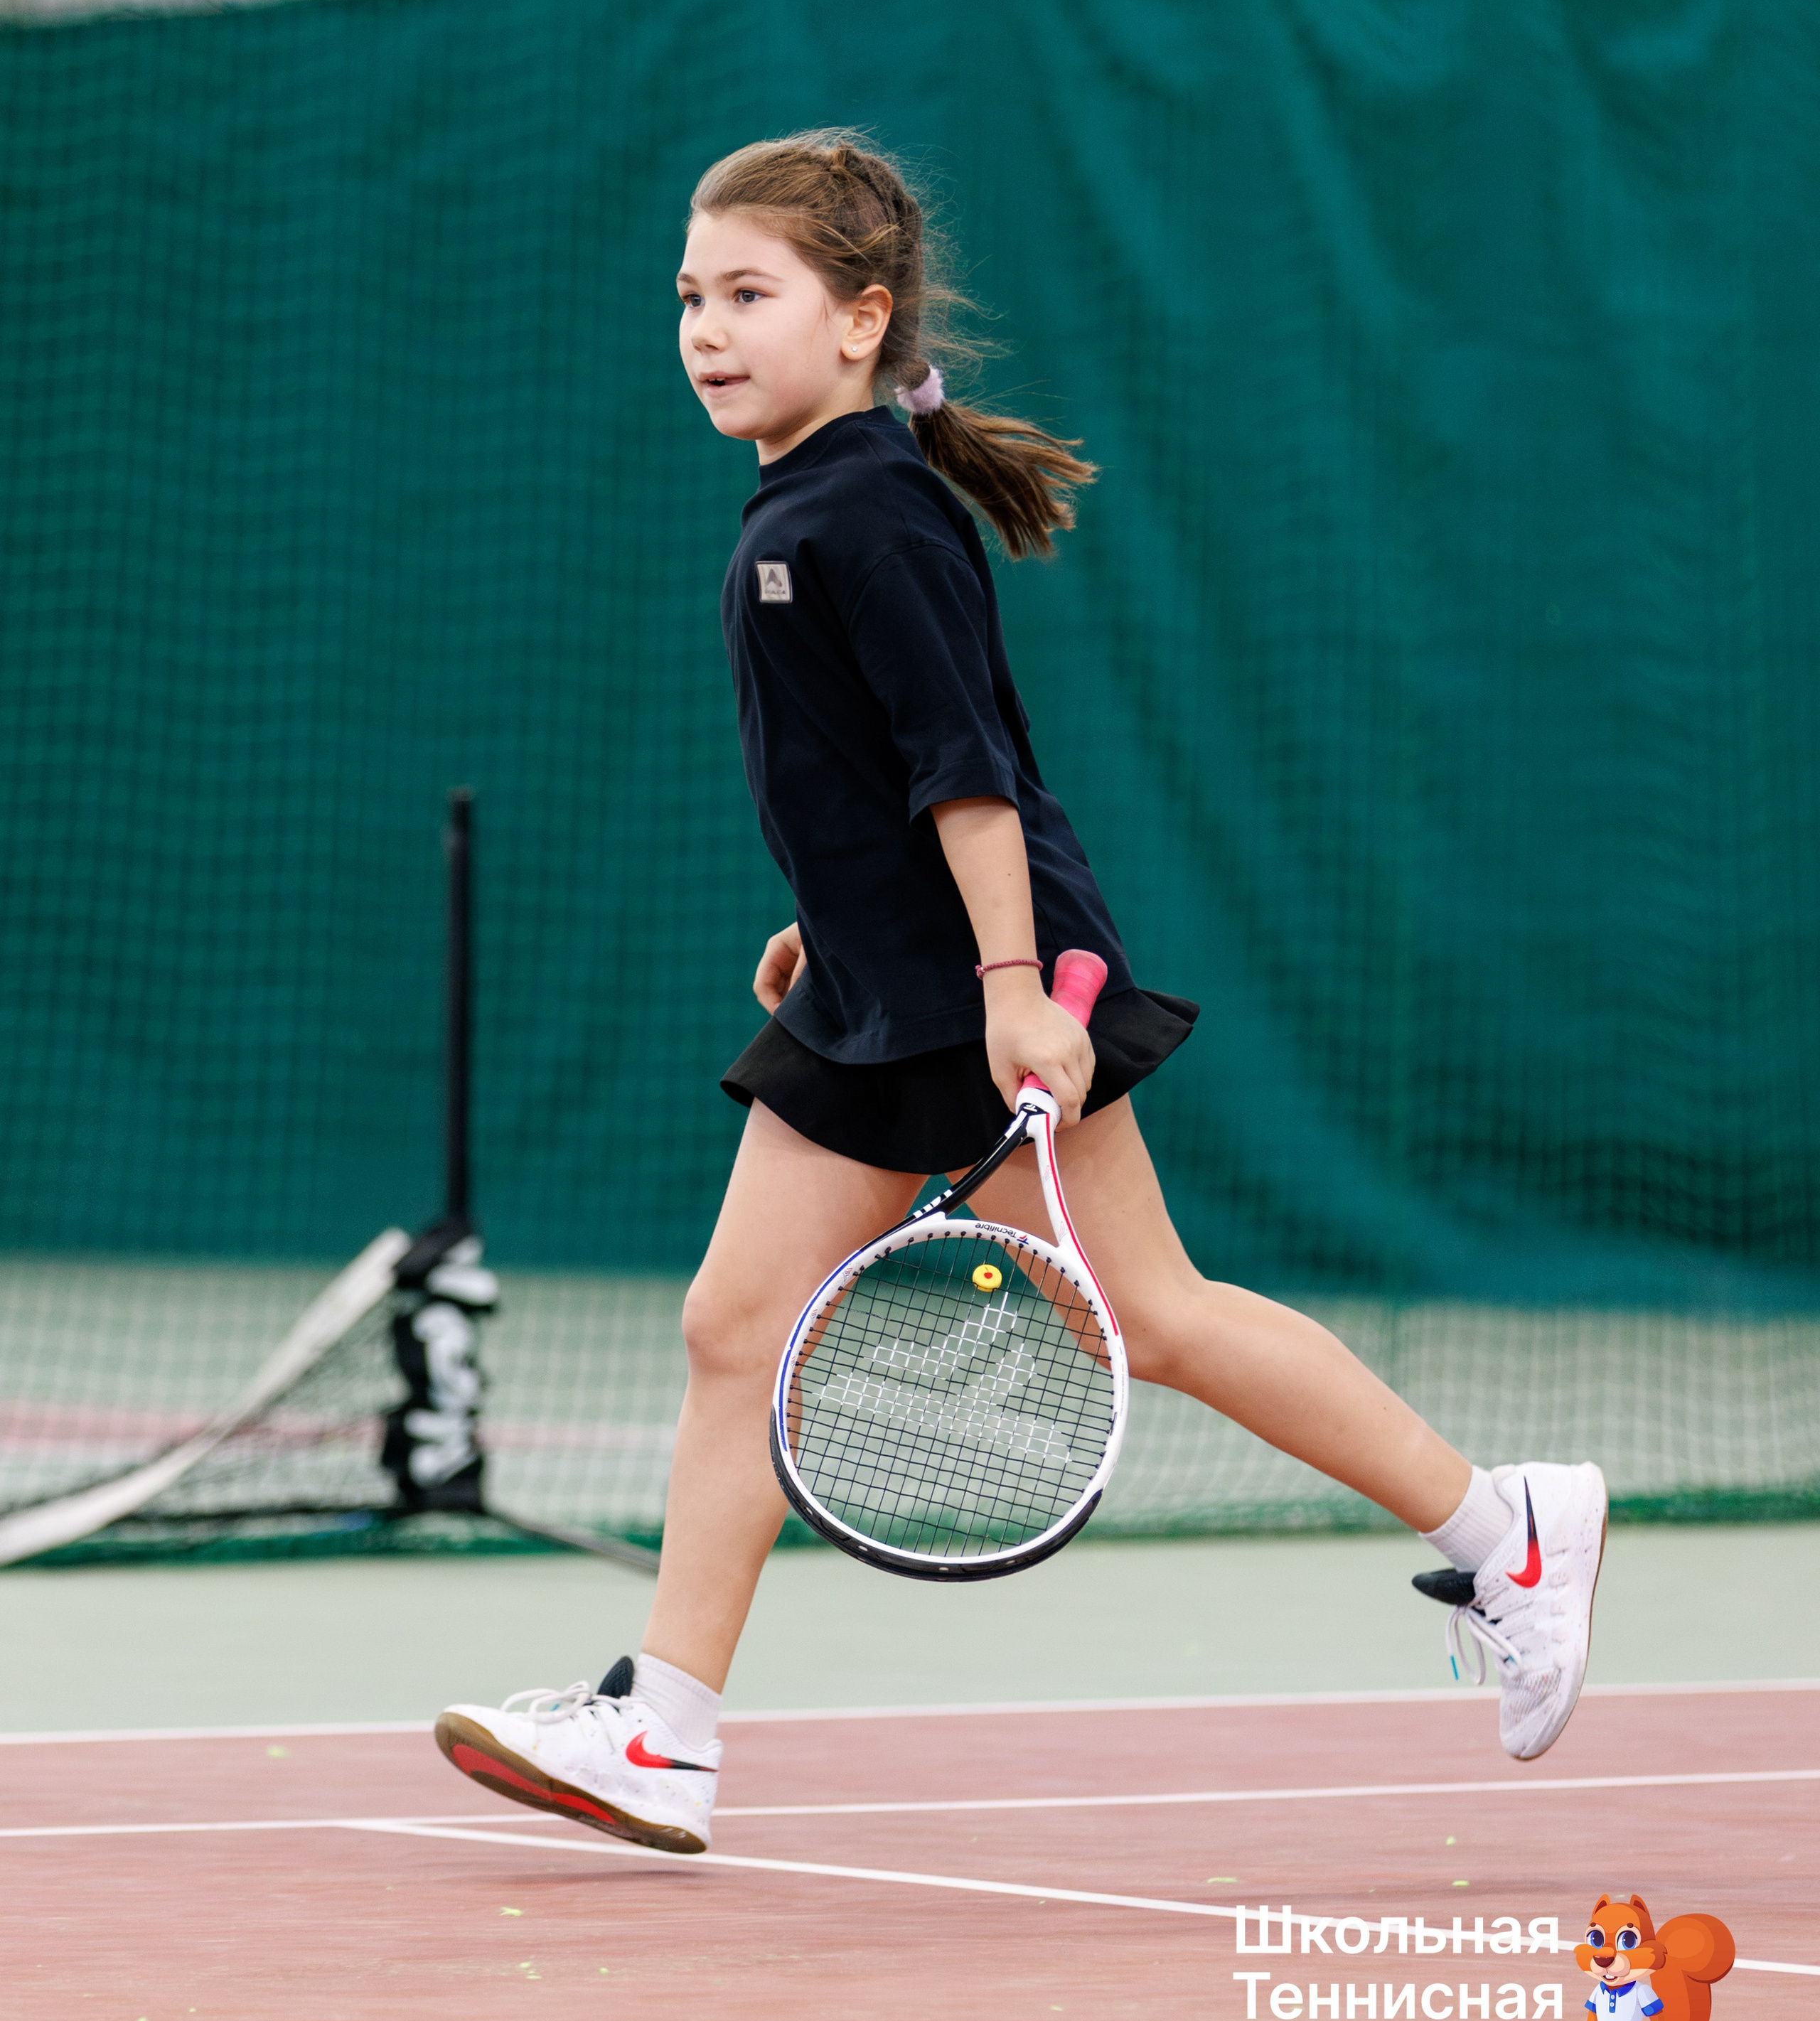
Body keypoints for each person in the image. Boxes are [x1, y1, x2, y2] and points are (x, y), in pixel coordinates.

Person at [435, 132, 1606, 1855]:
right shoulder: (803, 498)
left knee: (1148, 1315)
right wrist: (822, 916)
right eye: (690, 295)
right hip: (876, 980)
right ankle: (659, 1730)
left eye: (748, 293)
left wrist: (1005, 984)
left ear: (858, 318)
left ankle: (1500, 1520)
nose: (705, 326)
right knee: (734, 1327)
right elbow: (864, 767)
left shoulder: (868, 507)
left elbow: (968, 770)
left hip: (978, 990)